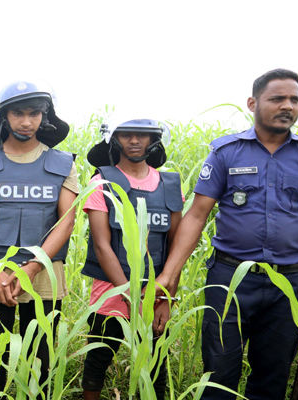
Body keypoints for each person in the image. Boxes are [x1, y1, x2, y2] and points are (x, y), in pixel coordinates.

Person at [154, 68, 298, 399]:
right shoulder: (226, 153)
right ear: (252, 103)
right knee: (219, 374)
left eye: (294, 100)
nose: (287, 106)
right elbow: (196, 216)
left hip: (290, 284)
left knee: (273, 377)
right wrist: (169, 274)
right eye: (277, 98)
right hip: (229, 280)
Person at [0, 80, 77, 399]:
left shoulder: (63, 163)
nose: (26, 121)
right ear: (3, 117)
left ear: (45, 116)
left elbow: (66, 223)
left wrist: (31, 269)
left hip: (43, 278)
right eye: (17, 113)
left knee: (40, 363)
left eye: (34, 113)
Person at [81, 119, 183, 400]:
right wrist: (129, 294)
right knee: (97, 361)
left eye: (143, 135)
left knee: (155, 367)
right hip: (111, 293)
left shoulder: (170, 184)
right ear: (115, 139)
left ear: (154, 140)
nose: (135, 141)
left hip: (156, 296)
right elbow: (102, 245)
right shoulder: (101, 181)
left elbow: (176, 247)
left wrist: (166, 299)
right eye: (126, 135)